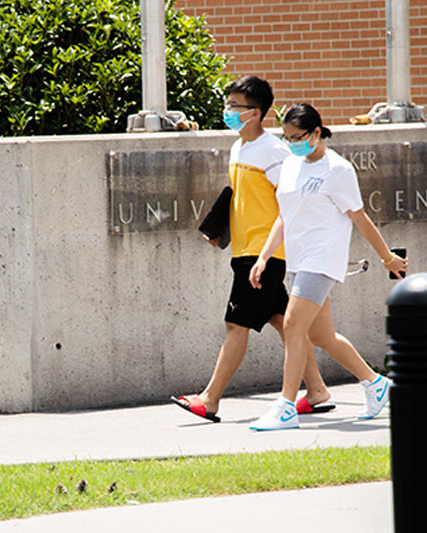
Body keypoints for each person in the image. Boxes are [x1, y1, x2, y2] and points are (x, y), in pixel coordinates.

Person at [171, 77, 333, 423]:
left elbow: (289, 201)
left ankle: (210, 399)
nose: (228, 111)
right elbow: (243, 196)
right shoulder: (239, 147)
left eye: (235, 106)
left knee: (236, 325)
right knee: (284, 323)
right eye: (228, 104)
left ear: (256, 113)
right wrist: (219, 229)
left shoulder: (274, 151)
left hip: (262, 255)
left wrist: (267, 253)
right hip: (245, 251)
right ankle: (316, 389)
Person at [247, 103, 408, 431]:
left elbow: (359, 216)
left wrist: (386, 257)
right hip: (298, 258)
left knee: (292, 326)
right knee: (322, 336)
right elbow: (283, 216)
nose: (291, 143)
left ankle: (285, 406)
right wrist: (264, 257)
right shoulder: (291, 165)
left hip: (321, 260)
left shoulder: (338, 170)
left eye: (297, 136)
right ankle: (376, 384)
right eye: (286, 137)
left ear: (317, 132)